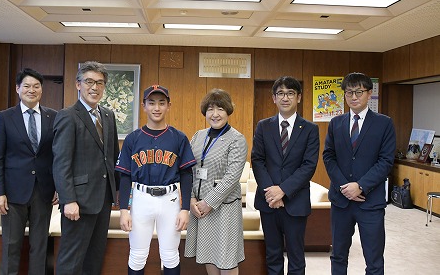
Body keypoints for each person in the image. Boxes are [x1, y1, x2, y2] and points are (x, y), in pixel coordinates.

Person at [116, 84, 196, 275]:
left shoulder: (178, 137)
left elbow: (186, 174)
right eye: (151, 103)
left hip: (170, 199)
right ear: (144, 106)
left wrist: (185, 210)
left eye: (161, 103)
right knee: (137, 255)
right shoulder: (133, 138)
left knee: (170, 255)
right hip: (141, 198)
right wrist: (123, 210)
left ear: (169, 105)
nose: (156, 108)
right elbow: (125, 175)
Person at [323, 72, 396, 275]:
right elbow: (329, 157)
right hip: (341, 202)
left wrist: (360, 186)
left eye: (358, 92)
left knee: (373, 259)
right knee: (338, 255)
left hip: (370, 203)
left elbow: (386, 161)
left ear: (369, 93)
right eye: (348, 93)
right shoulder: (336, 123)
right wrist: (344, 187)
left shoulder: (384, 123)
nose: (353, 97)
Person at [52, 61, 120, 275]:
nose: (94, 87)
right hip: (78, 203)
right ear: (78, 84)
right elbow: (61, 162)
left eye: (100, 83)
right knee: (71, 259)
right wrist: (68, 199)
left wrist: (117, 192)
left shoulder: (108, 115)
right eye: (89, 81)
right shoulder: (68, 116)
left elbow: (112, 157)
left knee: (94, 258)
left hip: (103, 200)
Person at [0, 68, 58, 274]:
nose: (32, 90)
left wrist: (58, 187)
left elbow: (57, 156)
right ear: (18, 89)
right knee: (11, 246)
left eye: (36, 86)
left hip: (43, 192)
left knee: (39, 246)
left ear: (41, 90)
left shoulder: (53, 116)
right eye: (27, 86)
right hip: (12, 193)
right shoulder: (5, 117)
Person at [251, 76, 319, 275]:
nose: (285, 98)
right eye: (280, 93)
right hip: (268, 201)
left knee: (296, 255)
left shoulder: (310, 129)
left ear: (298, 97)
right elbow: (257, 160)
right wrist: (271, 193)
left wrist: (283, 191)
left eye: (290, 93)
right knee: (272, 254)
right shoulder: (263, 126)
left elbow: (309, 165)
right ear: (273, 98)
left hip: (295, 201)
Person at [184, 88, 248, 275]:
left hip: (224, 207)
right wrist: (192, 200)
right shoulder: (198, 136)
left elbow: (232, 177)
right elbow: (189, 169)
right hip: (199, 207)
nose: (215, 114)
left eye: (220, 109)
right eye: (210, 109)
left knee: (226, 258)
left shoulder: (236, 139)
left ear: (228, 111)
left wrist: (208, 203)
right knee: (208, 254)